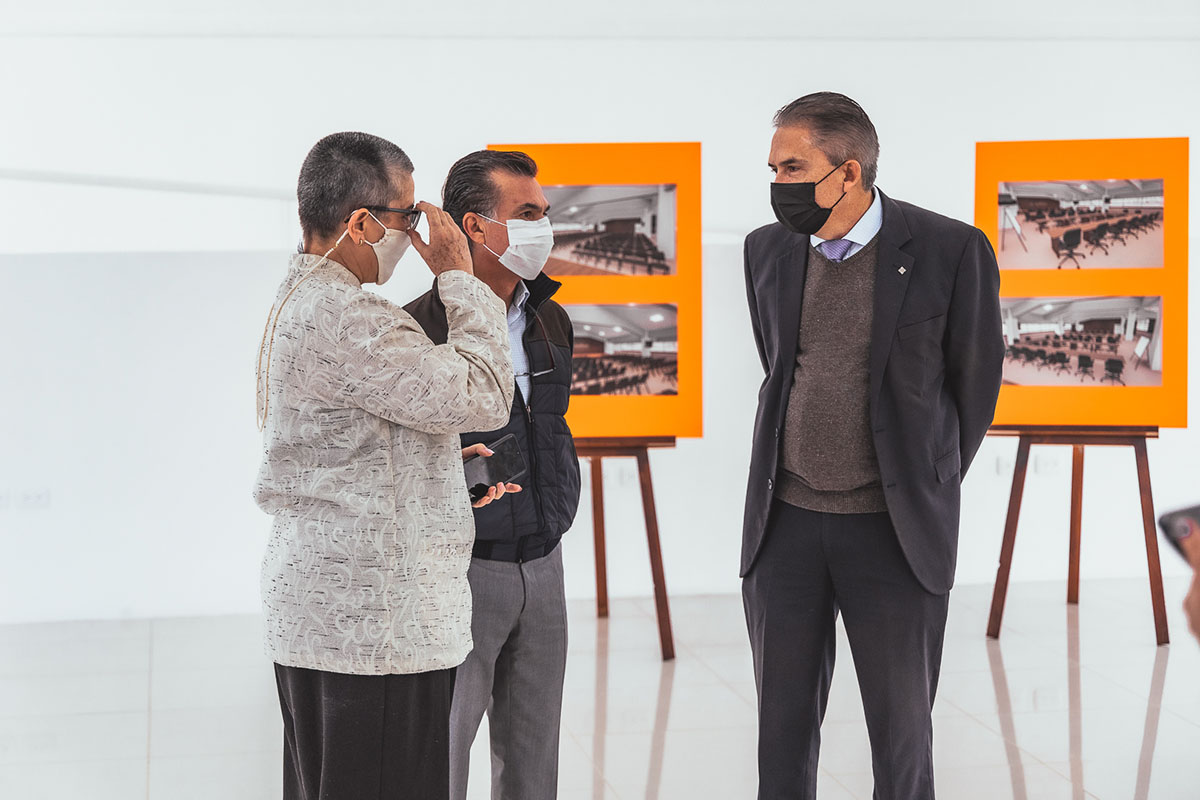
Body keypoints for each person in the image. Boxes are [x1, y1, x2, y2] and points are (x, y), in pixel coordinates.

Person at [740, 93, 1005, 799]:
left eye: (793, 167)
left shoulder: (950, 249)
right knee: (782, 733)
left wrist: (924, 480)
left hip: (893, 530)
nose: (778, 185)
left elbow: (974, 389)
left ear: (848, 173)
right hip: (785, 525)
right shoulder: (765, 250)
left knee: (901, 735)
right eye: (771, 168)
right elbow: (783, 368)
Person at [253, 131, 517, 800]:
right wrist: (460, 274)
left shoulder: (301, 298)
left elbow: (344, 443)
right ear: (362, 223)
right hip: (377, 632)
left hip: (328, 616)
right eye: (408, 216)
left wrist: (433, 477)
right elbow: (487, 395)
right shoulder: (355, 316)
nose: (419, 232)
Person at [405, 149, 581, 800]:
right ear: (475, 227)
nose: (543, 227)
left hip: (545, 564)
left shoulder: (549, 319)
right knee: (442, 755)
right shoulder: (419, 328)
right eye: (526, 213)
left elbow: (551, 430)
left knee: (535, 763)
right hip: (459, 571)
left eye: (544, 212)